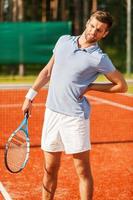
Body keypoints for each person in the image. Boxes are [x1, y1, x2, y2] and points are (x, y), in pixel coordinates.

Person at [22, 10, 127, 200]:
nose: (93, 32)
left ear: (105, 34)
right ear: (88, 22)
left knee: (82, 171)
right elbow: (47, 71)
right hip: (52, 113)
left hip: (74, 118)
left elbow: (122, 86)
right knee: (50, 168)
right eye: (93, 26)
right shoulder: (63, 41)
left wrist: (91, 86)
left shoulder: (99, 58)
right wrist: (30, 95)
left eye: (99, 30)